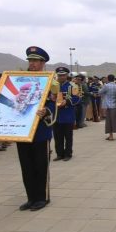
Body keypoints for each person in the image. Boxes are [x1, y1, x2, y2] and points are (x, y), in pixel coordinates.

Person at [14, 47, 56, 211]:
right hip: (21, 128)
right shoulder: (19, 80)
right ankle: (31, 197)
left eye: (35, 61)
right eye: (30, 60)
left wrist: (47, 110)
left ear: (43, 63)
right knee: (26, 165)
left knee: (40, 164)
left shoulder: (51, 82)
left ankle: (42, 197)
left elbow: (54, 103)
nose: (32, 64)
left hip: (40, 130)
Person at [53, 66, 80, 161]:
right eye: (59, 75)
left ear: (66, 75)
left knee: (68, 136)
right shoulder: (53, 86)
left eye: (63, 75)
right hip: (56, 115)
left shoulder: (72, 86)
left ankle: (68, 154)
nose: (61, 77)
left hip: (67, 115)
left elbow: (77, 99)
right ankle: (59, 154)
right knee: (57, 136)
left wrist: (67, 102)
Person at [99, 74, 116, 140]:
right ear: (114, 79)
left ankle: (111, 136)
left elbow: (100, 92)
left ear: (108, 79)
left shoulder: (106, 86)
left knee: (109, 121)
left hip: (109, 106)